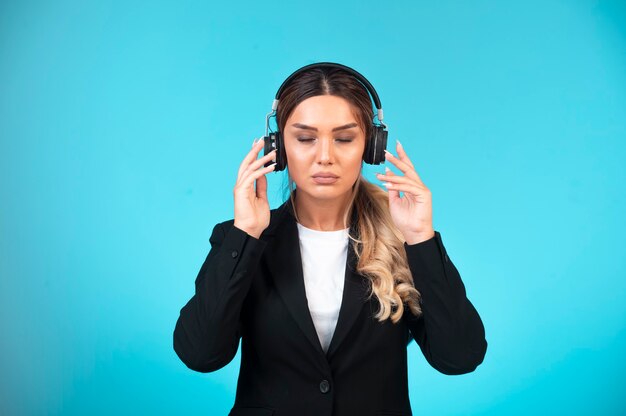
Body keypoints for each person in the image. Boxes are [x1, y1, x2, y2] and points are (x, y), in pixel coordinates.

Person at [173, 63, 487, 416]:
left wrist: (421, 239)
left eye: (344, 138)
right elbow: (200, 354)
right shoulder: (244, 240)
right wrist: (245, 234)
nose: (325, 156)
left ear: (370, 145)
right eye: (305, 138)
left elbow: (459, 357)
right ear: (277, 146)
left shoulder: (402, 241)